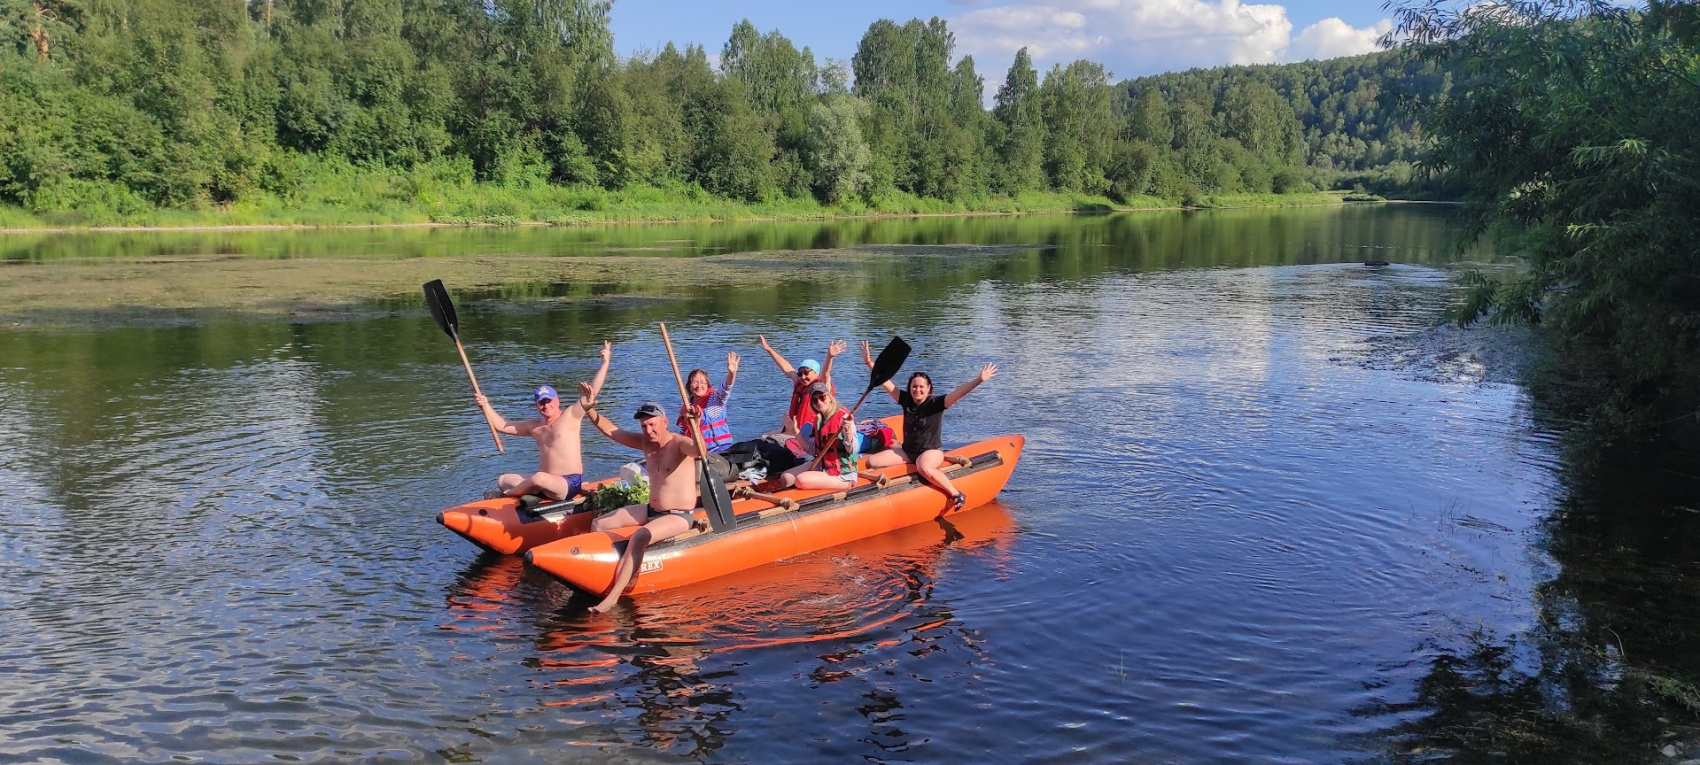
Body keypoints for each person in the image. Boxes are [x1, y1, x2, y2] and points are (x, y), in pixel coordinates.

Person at [579, 386, 707, 613]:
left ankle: (612, 598)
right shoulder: (644, 442)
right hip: (652, 510)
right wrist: (589, 410)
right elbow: (612, 431)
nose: (648, 430)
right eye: (644, 426)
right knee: (600, 523)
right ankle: (593, 571)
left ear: (665, 422)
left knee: (640, 535)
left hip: (678, 516)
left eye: (652, 425)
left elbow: (700, 451)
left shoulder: (680, 443)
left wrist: (695, 424)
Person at [859, 340, 998, 511]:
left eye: (921, 387)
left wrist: (979, 379)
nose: (917, 390)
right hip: (908, 451)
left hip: (930, 451)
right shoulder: (905, 400)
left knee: (923, 467)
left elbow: (959, 393)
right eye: (914, 386)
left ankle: (956, 494)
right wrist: (869, 362)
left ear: (929, 388)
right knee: (872, 461)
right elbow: (885, 381)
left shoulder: (937, 403)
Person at [474, 341, 611, 502]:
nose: (546, 405)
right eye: (542, 402)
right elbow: (502, 426)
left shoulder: (570, 416)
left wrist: (605, 362)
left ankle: (506, 496)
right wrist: (485, 405)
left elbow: (591, 394)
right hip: (547, 480)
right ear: (537, 406)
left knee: (538, 478)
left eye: (549, 401)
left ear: (557, 401)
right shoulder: (534, 426)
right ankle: (533, 491)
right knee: (503, 480)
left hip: (568, 482)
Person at [778, 382, 860, 491]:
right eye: (815, 400)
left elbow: (853, 449)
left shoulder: (843, 417)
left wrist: (848, 430)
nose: (819, 402)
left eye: (822, 397)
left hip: (843, 475)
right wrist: (796, 432)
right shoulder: (818, 420)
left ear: (829, 397)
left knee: (801, 480)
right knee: (786, 477)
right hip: (823, 467)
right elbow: (813, 450)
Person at [758, 336, 845, 435]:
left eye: (806, 373)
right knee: (763, 437)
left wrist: (830, 357)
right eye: (800, 373)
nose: (802, 377)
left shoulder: (821, 385)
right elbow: (786, 368)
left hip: (808, 433)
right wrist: (768, 349)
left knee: (768, 442)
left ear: (816, 373)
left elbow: (826, 373)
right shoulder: (800, 382)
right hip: (794, 429)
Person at [678, 351, 740, 453]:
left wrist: (732, 374)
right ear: (689, 385)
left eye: (703, 382)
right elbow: (683, 433)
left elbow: (726, 389)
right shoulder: (687, 407)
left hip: (720, 449)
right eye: (695, 382)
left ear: (708, 385)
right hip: (697, 452)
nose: (699, 385)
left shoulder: (714, 400)